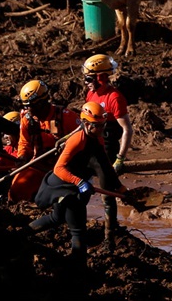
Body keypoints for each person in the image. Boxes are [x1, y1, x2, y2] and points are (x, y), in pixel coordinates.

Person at [30, 102, 126, 268]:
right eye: (98, 126)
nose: (103, 128)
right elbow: (58, 168)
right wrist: (79, 182)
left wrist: (122, 189)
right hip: (63, 185)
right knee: (78, 230)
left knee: (57, 218)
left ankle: (24, 232)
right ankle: (78, 267)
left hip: (75, 186)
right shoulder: (77, 139)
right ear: (87, 125)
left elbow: (105, 167)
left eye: (104, 125)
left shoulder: (97, 139)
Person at [82, 53, 134, 249]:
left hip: (107, 154)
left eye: (88, 78)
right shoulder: (91, 95)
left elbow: (127, 129)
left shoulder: (115, 97)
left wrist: (120, 158)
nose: (86, 83)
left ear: (100, 77)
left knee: (107, 194)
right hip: (91, 149)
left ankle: (109, 238)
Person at [9, 80, 80, 202]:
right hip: (39, 163)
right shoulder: (27, 120)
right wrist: (22, 157)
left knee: (62, 199)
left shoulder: (67, 117)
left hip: (65, 166)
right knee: (16, 190)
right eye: (26, 106)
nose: (28, 110)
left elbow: (82, 139)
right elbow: (24, 143)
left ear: (42, 103)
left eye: (31, 106)